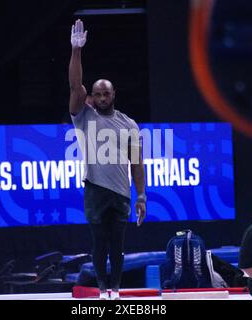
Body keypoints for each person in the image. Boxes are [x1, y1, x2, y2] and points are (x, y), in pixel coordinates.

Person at [68, 19, 146, 300]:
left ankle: (115, 290)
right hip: (95, 190)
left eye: (106, 93)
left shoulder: (129, 124)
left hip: (122, 193)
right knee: (99, 244)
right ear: (92, 96)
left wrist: (142, 196)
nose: (101, 97)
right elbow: (75, 86)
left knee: (118, 246)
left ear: (113, 95)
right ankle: (102, 291)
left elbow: (137, 163)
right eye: (97, 93)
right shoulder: (83, 116)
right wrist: (76, 51)